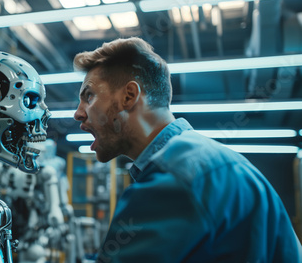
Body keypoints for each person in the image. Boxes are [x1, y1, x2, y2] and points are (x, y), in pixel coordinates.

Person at [72, 37, 302, 262]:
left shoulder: (173, 179)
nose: (78, 113)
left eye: (88, 96)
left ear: (129, 96)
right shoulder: (215, 162)